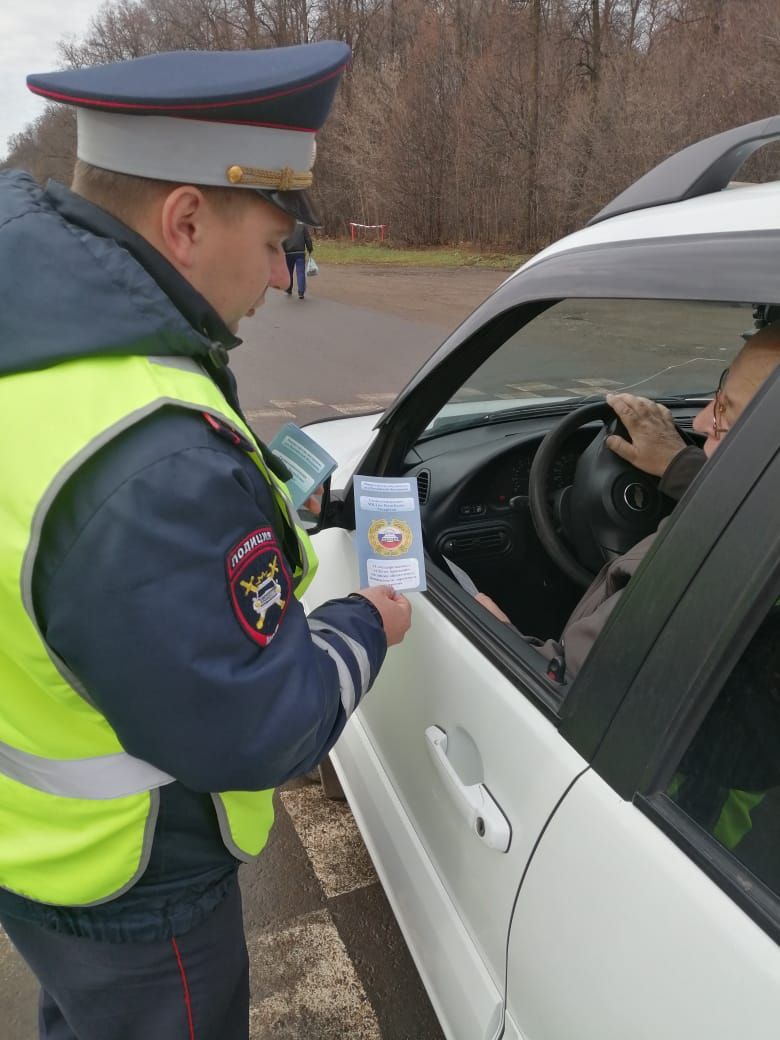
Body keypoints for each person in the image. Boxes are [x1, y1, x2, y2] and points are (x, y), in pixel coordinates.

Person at [0, 44, 412, 1040]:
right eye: (276, 242)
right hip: (136, 879)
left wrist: (267, 501)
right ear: (185, 220)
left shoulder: (47, 343)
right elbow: (255, 726)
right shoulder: (152, 460)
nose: (283, 275)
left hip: (38, 846)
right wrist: (368, 620)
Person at [477, 322, 780, 680]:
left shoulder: (700, 571)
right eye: (715, 397)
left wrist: (490, 630)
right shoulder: (757, 527)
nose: (699, 422)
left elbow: (566, 688)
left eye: (723, 415)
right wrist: (679, 465)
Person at [283, 219, 314, 299]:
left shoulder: (286, 224)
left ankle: (288, 289)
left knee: (289, 272)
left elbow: (283, 240)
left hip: (288, 253)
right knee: (300, 272)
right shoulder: (302, 225)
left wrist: (282, 250)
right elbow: (307, 238)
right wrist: (310, 249)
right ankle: (301, 292)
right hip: (300, 252)